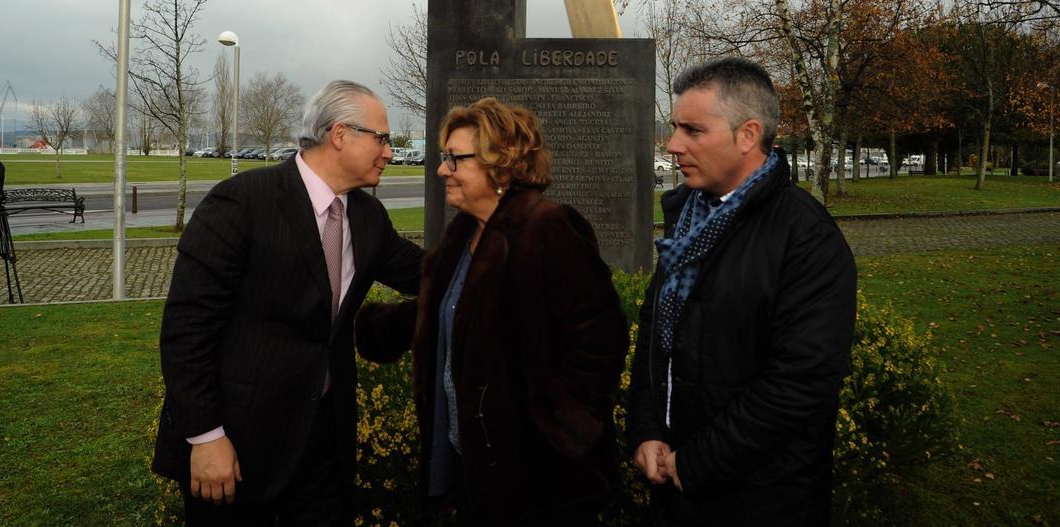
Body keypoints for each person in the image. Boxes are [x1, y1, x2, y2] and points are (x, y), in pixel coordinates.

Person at [152, 81, 424, 526]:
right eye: (382, 138)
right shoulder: (242, 202)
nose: (390, 152)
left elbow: (430, 274)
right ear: (340, 134)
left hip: (324, 450)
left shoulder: (369, 218)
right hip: (235, 446)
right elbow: (187, 329)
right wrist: (205, 436)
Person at [356, 96, 628, 526]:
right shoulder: (464, 235)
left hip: (540, 484)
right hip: (471, 469)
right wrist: (379, 326)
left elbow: (600, 341)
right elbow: (457, 310)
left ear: (501, 167)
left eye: (454, 158)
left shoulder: (550, 227)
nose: (442, 170)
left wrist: (560, 428)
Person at [626, 58, 857, 525]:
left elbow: (801, 381)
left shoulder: (806, 236)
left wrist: (697, 462)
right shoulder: (688, 220)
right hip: (674, 492)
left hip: (763, 500)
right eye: (675, 128)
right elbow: (655, 334)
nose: (673, 145)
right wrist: (647, 430)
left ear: (748, 134)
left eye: (692, 130)